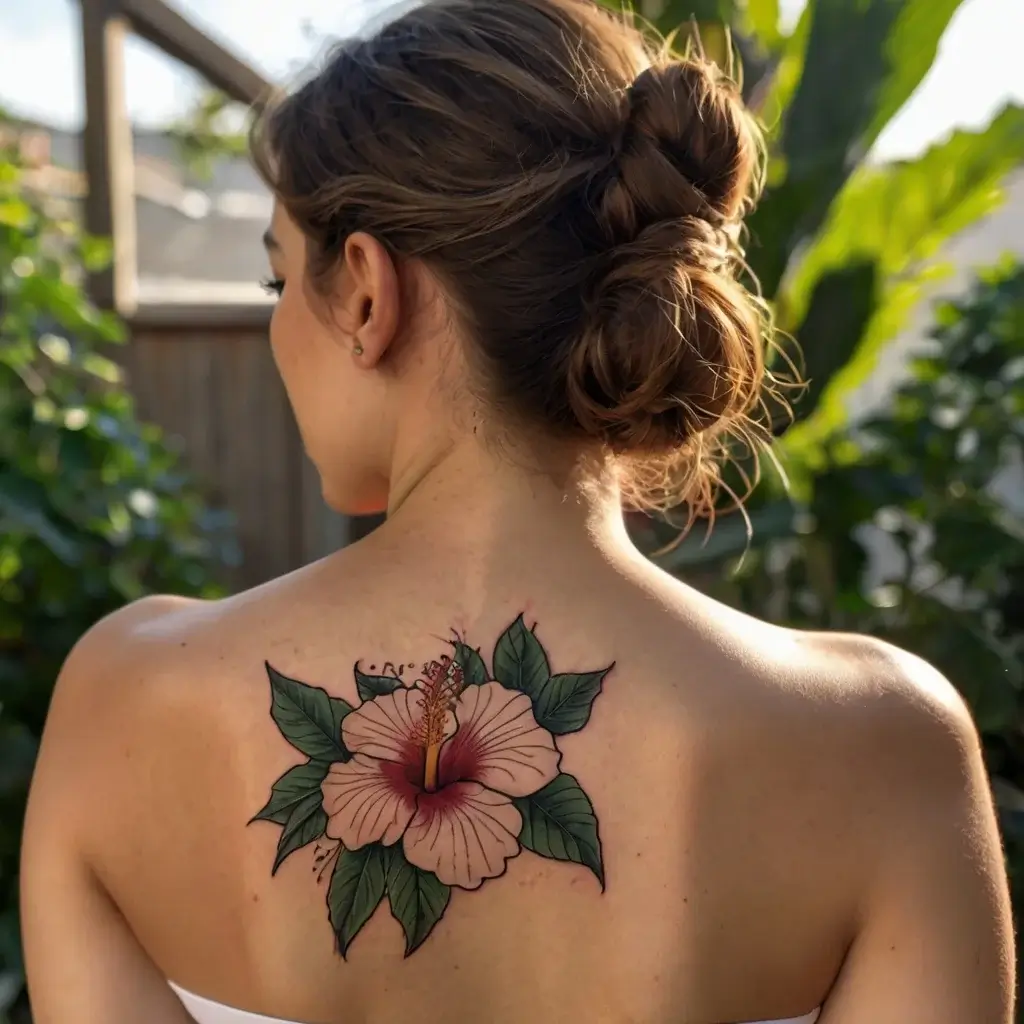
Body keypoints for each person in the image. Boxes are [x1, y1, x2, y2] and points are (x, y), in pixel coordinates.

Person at [20, 0, 1014, 1021]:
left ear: (363, 291)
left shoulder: (126, 702)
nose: (279, 322)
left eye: (280, 275)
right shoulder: (881, 744)